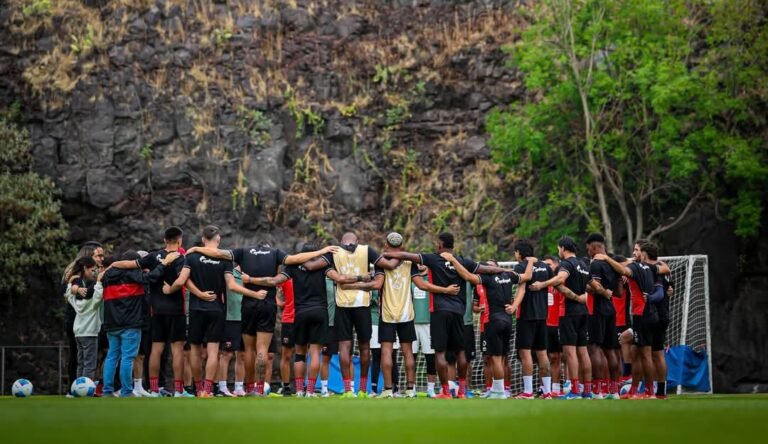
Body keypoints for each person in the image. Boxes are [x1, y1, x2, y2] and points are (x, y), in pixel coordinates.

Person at [184, 242, 336, 396]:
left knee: (249, 350)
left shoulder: (243, 252)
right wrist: (324, 251)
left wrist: (196, 248)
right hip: (268, 304)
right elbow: (294, 260)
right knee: (265, 349)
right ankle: (262, 389)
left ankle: (249, 388)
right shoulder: (276, 253)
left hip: (249, 304)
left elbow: (218, 254)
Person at [383, 232, 505, 399]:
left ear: (440, 245)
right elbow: (487, 269)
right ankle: (462, 391)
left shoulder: (434, 259)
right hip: (459, 312)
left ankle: (446, 391)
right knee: (460, 352)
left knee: (440, 353)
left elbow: (406, 255)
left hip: (440, 311)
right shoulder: (463, 261)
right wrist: (503, 270)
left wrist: (384, 254)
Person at [111, 227, 188, 397]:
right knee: (177, 350)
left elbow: (130, 264)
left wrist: (112, 265)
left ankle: (153, 390)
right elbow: (180, 280)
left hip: (156, 310)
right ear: (180, 241)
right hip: (176, 310)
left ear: (164, 240)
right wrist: (171, 289)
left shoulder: (153, 256)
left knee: (156, 349)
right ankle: (179, 391)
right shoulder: (181, 258)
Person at [593, 240, 668, 399]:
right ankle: (636, 390)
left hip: (642, 314)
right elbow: (664, 268)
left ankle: (650, 392)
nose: (634, 253)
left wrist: (606, 258)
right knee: (636, 352)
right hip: (650, 314)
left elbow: (622, 269)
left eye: (636, 251)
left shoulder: (635, 267)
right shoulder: (650, 268)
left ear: (643, 254)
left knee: (646, 354)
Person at [164, 226, 232, 397]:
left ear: (203, 239)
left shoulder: (192, 256)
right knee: (213, 350)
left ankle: (198, 388)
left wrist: (198, 294)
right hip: (216, 308)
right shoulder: (224, 259)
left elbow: (182, 281)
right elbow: (230, 284)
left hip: (196, 309)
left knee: (194, 350)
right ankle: (208, 390)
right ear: (219, 239)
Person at [530, 236, 593, 399]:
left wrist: (541, 284)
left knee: (570, 353)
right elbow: (593, 285)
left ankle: (575, 391)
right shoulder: (584, 265)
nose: (558, 251)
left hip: (569, 312)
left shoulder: (567, 264)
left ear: (563, 248)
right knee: (583, 352)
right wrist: (599, 293)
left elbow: (560, 279)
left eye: (559, 248)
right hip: (583, 311)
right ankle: (587, 390)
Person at [101, 250, 169, 397]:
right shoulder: (134, 275)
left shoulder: (107, 276)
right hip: (130, 324)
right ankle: (126, 391)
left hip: (111, 324)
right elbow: (151, 277)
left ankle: (107, 391)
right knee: (127, 358)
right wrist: (163, 264)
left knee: (112, 357)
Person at [506, 240, 553, 399]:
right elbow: (551, 284)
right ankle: (547, 392)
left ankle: (528, 392)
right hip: (542, 315)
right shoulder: (546, 267)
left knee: (525, 353)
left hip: (526, 315)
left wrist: (514, 307)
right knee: (542, 353)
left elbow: (522, 289)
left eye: (515, 252)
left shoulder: (521, 266)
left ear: (519, 252)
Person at [61, 242, 104, 395]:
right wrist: (99, 281)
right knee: (88, 362)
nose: (101, 259)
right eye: (98, 255)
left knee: (81, 360)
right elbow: (96, 295)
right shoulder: (86, 284)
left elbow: (68, 294)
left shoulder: (76, 285)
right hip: (88, 330)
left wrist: (72, 288)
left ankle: (76, 388)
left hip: (78, 329)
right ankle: (85, 389)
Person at [585, 233, 621, 399]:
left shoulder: (596, 264)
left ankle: (597, 391)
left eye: (588, 249)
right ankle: (615, 391)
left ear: (594, 247)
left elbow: (596, 287)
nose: (588, 252)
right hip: (611, 308)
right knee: (611, 349)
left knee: (595, 348)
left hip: (596, 308)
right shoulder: (613, 264)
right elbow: (619, 292)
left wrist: (584, 286)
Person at [217, 266, 246, 397]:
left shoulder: (250, 274)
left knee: (242, 355)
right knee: (226, 354)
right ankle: (222, 387)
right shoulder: (228, 273)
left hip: (246, 318)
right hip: (230, 318)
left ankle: (239, 387)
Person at [411, 265, 437, 397]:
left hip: (429, 324)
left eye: (423, 263)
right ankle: (412, 388)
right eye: (418, 264)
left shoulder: (432, 280)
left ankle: (431, 389)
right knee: (411, 357)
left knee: (430, 357)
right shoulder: (412, 280)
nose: (420, 266)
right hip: (412, 324)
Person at [543, 255, 564, 396]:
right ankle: (544, 389)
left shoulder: (561, 283)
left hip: (557, 325)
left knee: (557, 357)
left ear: (556, 265)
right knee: (543, 358)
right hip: (543, 325)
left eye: (549, 264)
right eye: (545, 265)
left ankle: (556, 389)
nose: (547, 267)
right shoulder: (540, 284)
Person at [277, 279, 295, 396]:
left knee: (303, 355)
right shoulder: (285, 278)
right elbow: (276, 293)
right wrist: (280, 302)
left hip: (304, 319)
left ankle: (301, 387)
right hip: (289, 319)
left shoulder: (309, 275)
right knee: (286, 355)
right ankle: (286, 386)